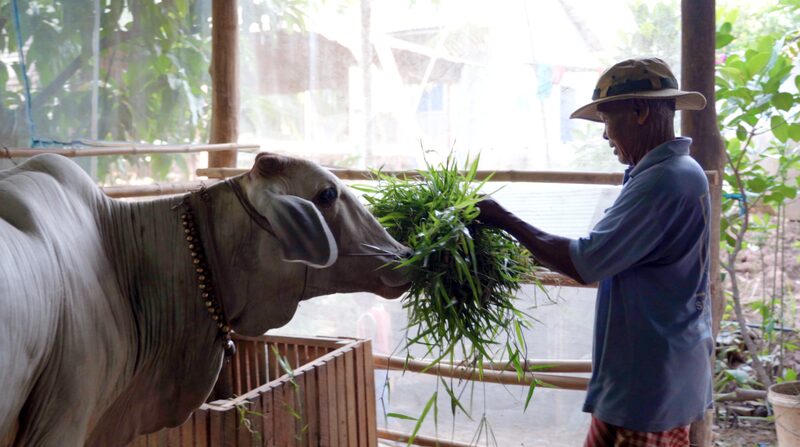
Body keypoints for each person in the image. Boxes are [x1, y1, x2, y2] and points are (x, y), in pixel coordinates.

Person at [476, 57, 713, 447]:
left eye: (606, 119)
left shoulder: (664, 181)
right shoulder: (673, 172)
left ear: (638, 112)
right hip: (647, 375)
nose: (604, 136)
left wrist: (503, 219)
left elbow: (584, 261)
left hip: (649, 386)